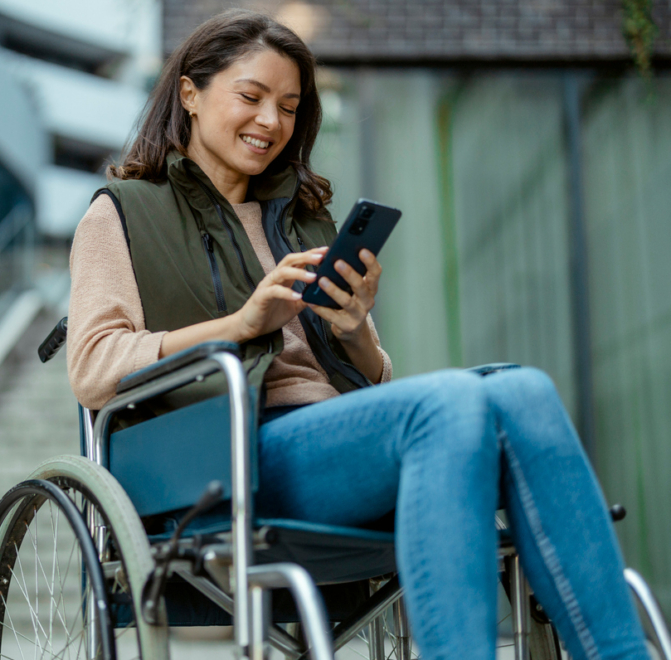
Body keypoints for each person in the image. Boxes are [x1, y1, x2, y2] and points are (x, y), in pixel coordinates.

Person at [66, 9, 649, 660]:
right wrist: (238, 327)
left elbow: (376, 384)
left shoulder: (304, 218)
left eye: (288, 107)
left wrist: (355, 333)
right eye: (251, 97)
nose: (270, 123)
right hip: (227, 459)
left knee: (525, 389)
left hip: (335, 442)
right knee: (450, 405)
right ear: (190, 94)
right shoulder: (121, 213)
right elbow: (92, 366)